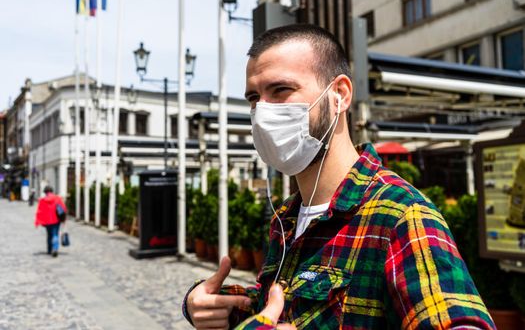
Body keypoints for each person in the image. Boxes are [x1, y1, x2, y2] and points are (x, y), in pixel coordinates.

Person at [182, 24, 495, 329]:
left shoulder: (400, 214)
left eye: (281, 90)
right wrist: (212, 303)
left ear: (340, 95)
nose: (262, 113)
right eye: (253, 98)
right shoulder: (287, 216)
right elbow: (289, 304)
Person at [34, 186, 67, 257]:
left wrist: (37, 222)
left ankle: (49, 250)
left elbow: (39, 212)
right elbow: (63, 209)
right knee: (55, 234)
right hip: (56, 220)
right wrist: (64, 219)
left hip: (47, 222)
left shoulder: (42, 200)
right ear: (52, 191)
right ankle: (55, 248)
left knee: (49, 235)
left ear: (45, 192)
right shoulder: (57, 198)